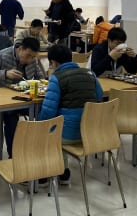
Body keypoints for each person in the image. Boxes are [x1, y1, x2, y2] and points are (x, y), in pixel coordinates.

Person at [38, 45, 103, 184]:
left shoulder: (56, 78)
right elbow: (99, 97)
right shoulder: (90, 74)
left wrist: (37, 124)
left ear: (53, 62)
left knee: (44, 130)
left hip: (68, 135)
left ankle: (44, 175)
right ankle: (62, 172)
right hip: (89, 132)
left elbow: (48, 112)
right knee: (62, 123)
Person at [0, 37, 46, 157]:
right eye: (28, 56)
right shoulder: (0, 55)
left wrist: (43, 84)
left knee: (44, 111)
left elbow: (41, 77)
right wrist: (5, 74)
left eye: (33, 57)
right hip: (2, 100)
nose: (30, 60)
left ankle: (38, 150)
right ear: (20, 49)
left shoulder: (32, 60)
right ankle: (14, 155)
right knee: (11, 117)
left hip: (23, 98)